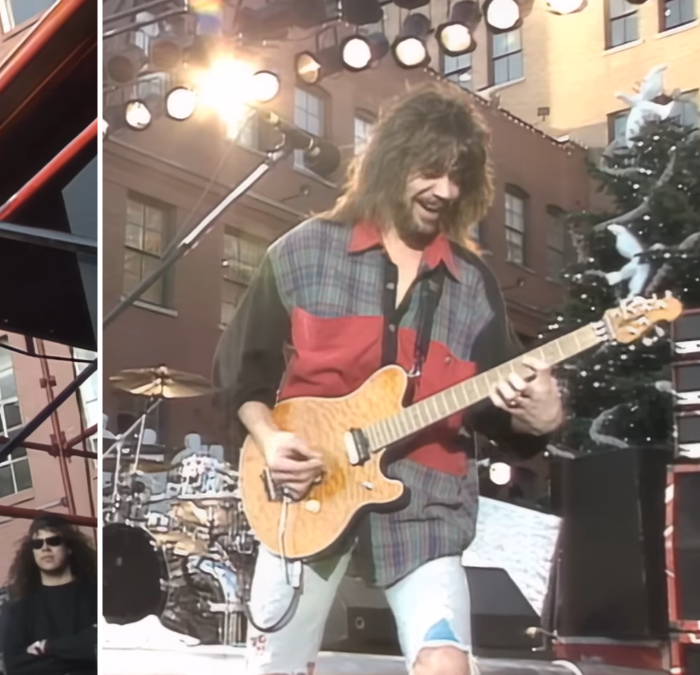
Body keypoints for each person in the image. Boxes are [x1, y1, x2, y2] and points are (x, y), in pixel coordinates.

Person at [213, 83, 565, 675]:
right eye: (431, 172)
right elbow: (240, 372)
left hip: (425, 510)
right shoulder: (302, 252)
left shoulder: (474, 286)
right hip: (306, 498)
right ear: (391, 162)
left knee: (447, 665)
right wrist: (271, 442)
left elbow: (500, 416)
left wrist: (542, 417)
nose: (445, 191)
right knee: (276, 668)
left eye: (459, 178)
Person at [2, 516, 98, 675]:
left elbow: (97, 645)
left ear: (69, 547)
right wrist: (77, 654)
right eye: (37, 544)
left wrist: (47, 647)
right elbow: (16, 667)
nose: (45, 548)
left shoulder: (95, 594)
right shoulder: (20, 610)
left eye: (54, 541)